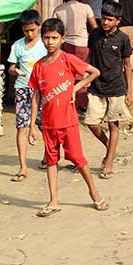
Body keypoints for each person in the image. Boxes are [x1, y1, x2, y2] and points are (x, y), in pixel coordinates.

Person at [28, 18, 108, 215]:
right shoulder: (38, 66)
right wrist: (31, 126)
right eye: (46, 38)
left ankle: (94, 192)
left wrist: (76, 87)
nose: (50, 42)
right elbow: (36, 96)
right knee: (51, 161)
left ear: (62, 39)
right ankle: (53, 200)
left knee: (78, 160)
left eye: (54, 38)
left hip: (68, 122)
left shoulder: (67, 59)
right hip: (47, 124)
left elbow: (94, 72)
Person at [85, 1, 133, 179]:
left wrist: (128, 91)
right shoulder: (95, 35)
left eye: (109, 19)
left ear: (118, 21)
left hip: (116, 88)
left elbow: (127, 65)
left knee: (113, 124)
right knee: (92, 123)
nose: (105, 22)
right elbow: (90, 58)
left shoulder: (123, 39)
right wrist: (85, 79)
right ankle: (109, 147)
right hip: (96, 87)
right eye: (103, 18)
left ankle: (109, 161)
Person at [7, 10, 47, 183]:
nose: (29, 34)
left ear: (39, 26)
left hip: (43, 91)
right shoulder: (17, 46)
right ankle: (23, 167)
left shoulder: (46, 44)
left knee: (45, 125)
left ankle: (48, 157)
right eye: (26, 31)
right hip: (23, 90)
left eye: (32, 30)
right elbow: (11, 67)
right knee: (21, 127)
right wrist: (15, 71)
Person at [53, 0, 98, 111]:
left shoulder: (59, 9)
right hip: (83, 44)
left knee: (67, 74)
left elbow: (53, 28)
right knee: (83, 74)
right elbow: (94, 27)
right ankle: (82, 103)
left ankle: (67, 102)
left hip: (65, 44)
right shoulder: (86, 8)